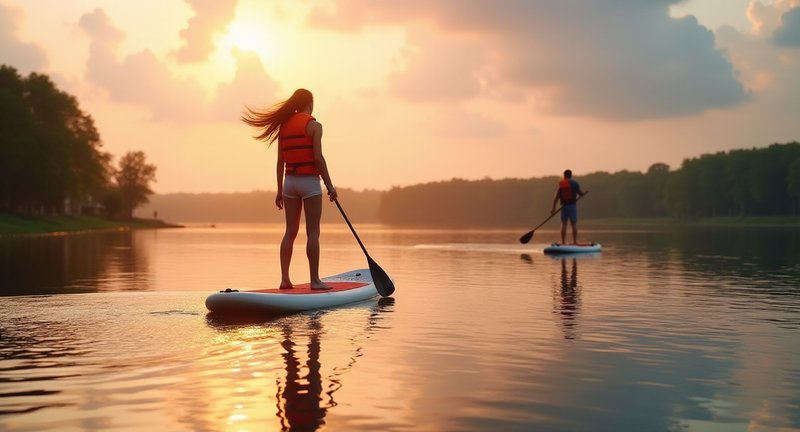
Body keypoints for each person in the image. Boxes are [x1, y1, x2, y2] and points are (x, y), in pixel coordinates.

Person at [241, 89, 337, 290]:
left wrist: (278, 190)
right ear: (309, 103)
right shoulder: (314, 126)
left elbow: (279, 162)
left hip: (289, 183)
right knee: (313, 233)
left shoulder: (283, 127)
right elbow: (318, 159)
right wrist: (330, 186)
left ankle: (285, 280)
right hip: (309, 182)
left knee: (290, 232)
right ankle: (315, 281)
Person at [551, 169, 586, 245]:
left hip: (563, 207)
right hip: (572, 206)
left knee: (564, 224)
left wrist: (553, 208)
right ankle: (574, 242)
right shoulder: (574, 184)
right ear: (571, 175)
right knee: (573, 224)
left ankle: (563, 242)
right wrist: (583, 194)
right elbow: (580, 193)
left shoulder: (561, 184)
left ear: (564, 175)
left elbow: (556, 198)